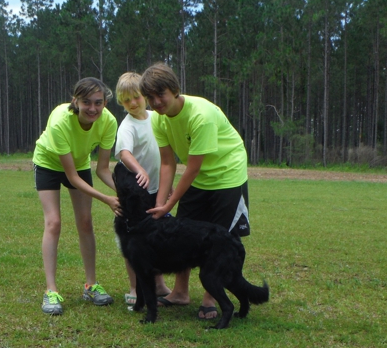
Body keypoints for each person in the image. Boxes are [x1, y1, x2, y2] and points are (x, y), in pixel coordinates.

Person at [139, 63, 250, 320]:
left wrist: (170, 204)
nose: (156, 102)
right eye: (150, 97)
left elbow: (192, 167)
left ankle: (211, 298)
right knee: (183, 235)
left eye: (161, 94)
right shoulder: (158, 119)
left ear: (175, 90)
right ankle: (180, 292)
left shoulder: (201, 115)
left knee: (219, 238)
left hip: (227, 176)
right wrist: (160, 205)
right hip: (197, 179)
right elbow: (168, 163)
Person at [33, 77, 122, 315]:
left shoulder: (109, 122)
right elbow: (72, 178)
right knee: (53, 223)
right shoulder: (61, 120)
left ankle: (91, 285)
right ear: (76, 101)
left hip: (81, 163)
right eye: (86, 102)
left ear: (104, 102)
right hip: (48, 164)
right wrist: (107, 200)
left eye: (98, 102)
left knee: (85, 222)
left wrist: (126, 194)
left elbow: (103, 169)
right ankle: (51, 290)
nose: (92, 108)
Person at [114, 72, 171, 305]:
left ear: (144, 96)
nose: (133, 103)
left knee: (157, 240)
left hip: (157, 190)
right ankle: (135, 288)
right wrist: (140, 170)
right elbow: (124, 153)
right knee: (135, 242)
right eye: (126, 100)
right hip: (137, 194)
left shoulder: (157, 118)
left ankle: (158, 285)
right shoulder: (127, 126)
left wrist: (168, 186)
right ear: (121, 102)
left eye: (136, 97)